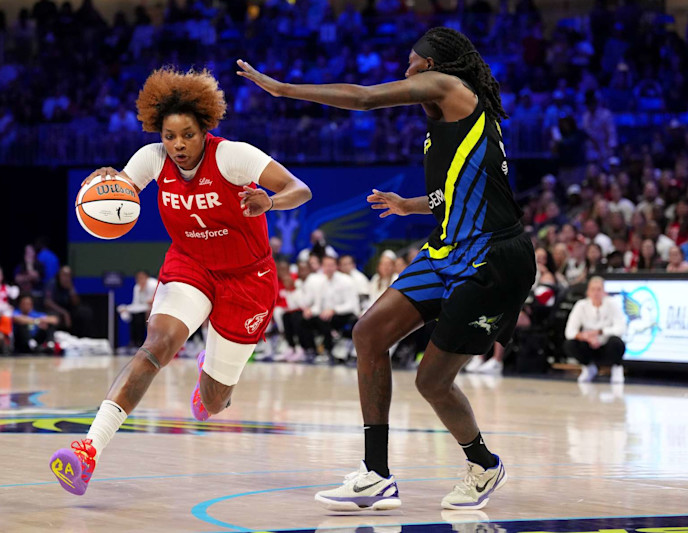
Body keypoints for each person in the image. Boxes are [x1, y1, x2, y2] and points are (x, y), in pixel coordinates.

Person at [239, 26, 535, 511]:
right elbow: (455, 196)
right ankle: (375, 474)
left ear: (434, 67)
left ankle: (483, 464)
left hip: (493, 257)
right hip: (447, 249)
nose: (406, 71)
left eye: (412, 63)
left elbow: (363, 98)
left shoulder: (450, 89)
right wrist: (409, 204)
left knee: (431, 381)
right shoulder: (446, 122)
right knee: (369, 333)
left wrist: (284, 89)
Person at [49, 67, 312, 496]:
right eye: (170, 136)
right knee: (157, 344)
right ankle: (87, 450)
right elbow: (119, 192)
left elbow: (300, 189)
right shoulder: (151, 158)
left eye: (187, 135)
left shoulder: (233, 156)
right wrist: (103, 186)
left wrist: (270, 200)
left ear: (204, 129)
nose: (178, 146)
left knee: (213, 402)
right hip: (191, 264)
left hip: (248, 278)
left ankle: (209, 374)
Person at [563, 276, 626, 384]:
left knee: (617, 343)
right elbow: (570, 331)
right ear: (588, 292)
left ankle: (616, 368)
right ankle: (588, 367)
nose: (596, 293)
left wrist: (600, 332)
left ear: (604, 292)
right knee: (570, 344)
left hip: (606, 344)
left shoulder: (612, 304)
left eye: (599, 289)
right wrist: (585, 337)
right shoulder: (581, 305)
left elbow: (621, 328)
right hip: (588, 344)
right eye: (593, 289)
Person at [117, 270, 158, 347]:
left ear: (147, 277)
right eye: (138, 278)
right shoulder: (137, 287)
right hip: (143, 309)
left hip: (154, 308)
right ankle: (135, 341)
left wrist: (152, 302)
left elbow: (157, 299)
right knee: (134, 316)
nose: (140, 280)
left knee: (142, 317)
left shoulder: (153, 284)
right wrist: (127, 309)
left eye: (142, 278)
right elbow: (136, 303)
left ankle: (143, 341)